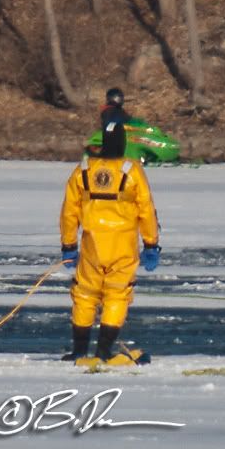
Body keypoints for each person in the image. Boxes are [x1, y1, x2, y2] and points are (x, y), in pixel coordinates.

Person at [60, 120, 160, 365]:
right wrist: (150, 243)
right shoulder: (132, 170)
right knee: (117, 295)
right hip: (122, 247)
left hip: (92, 248)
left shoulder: (83, 170)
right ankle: (104, 351)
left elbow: (69, 211)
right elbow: (146, 210)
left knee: (85, 294)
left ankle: (79, 350)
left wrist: (69, 245)